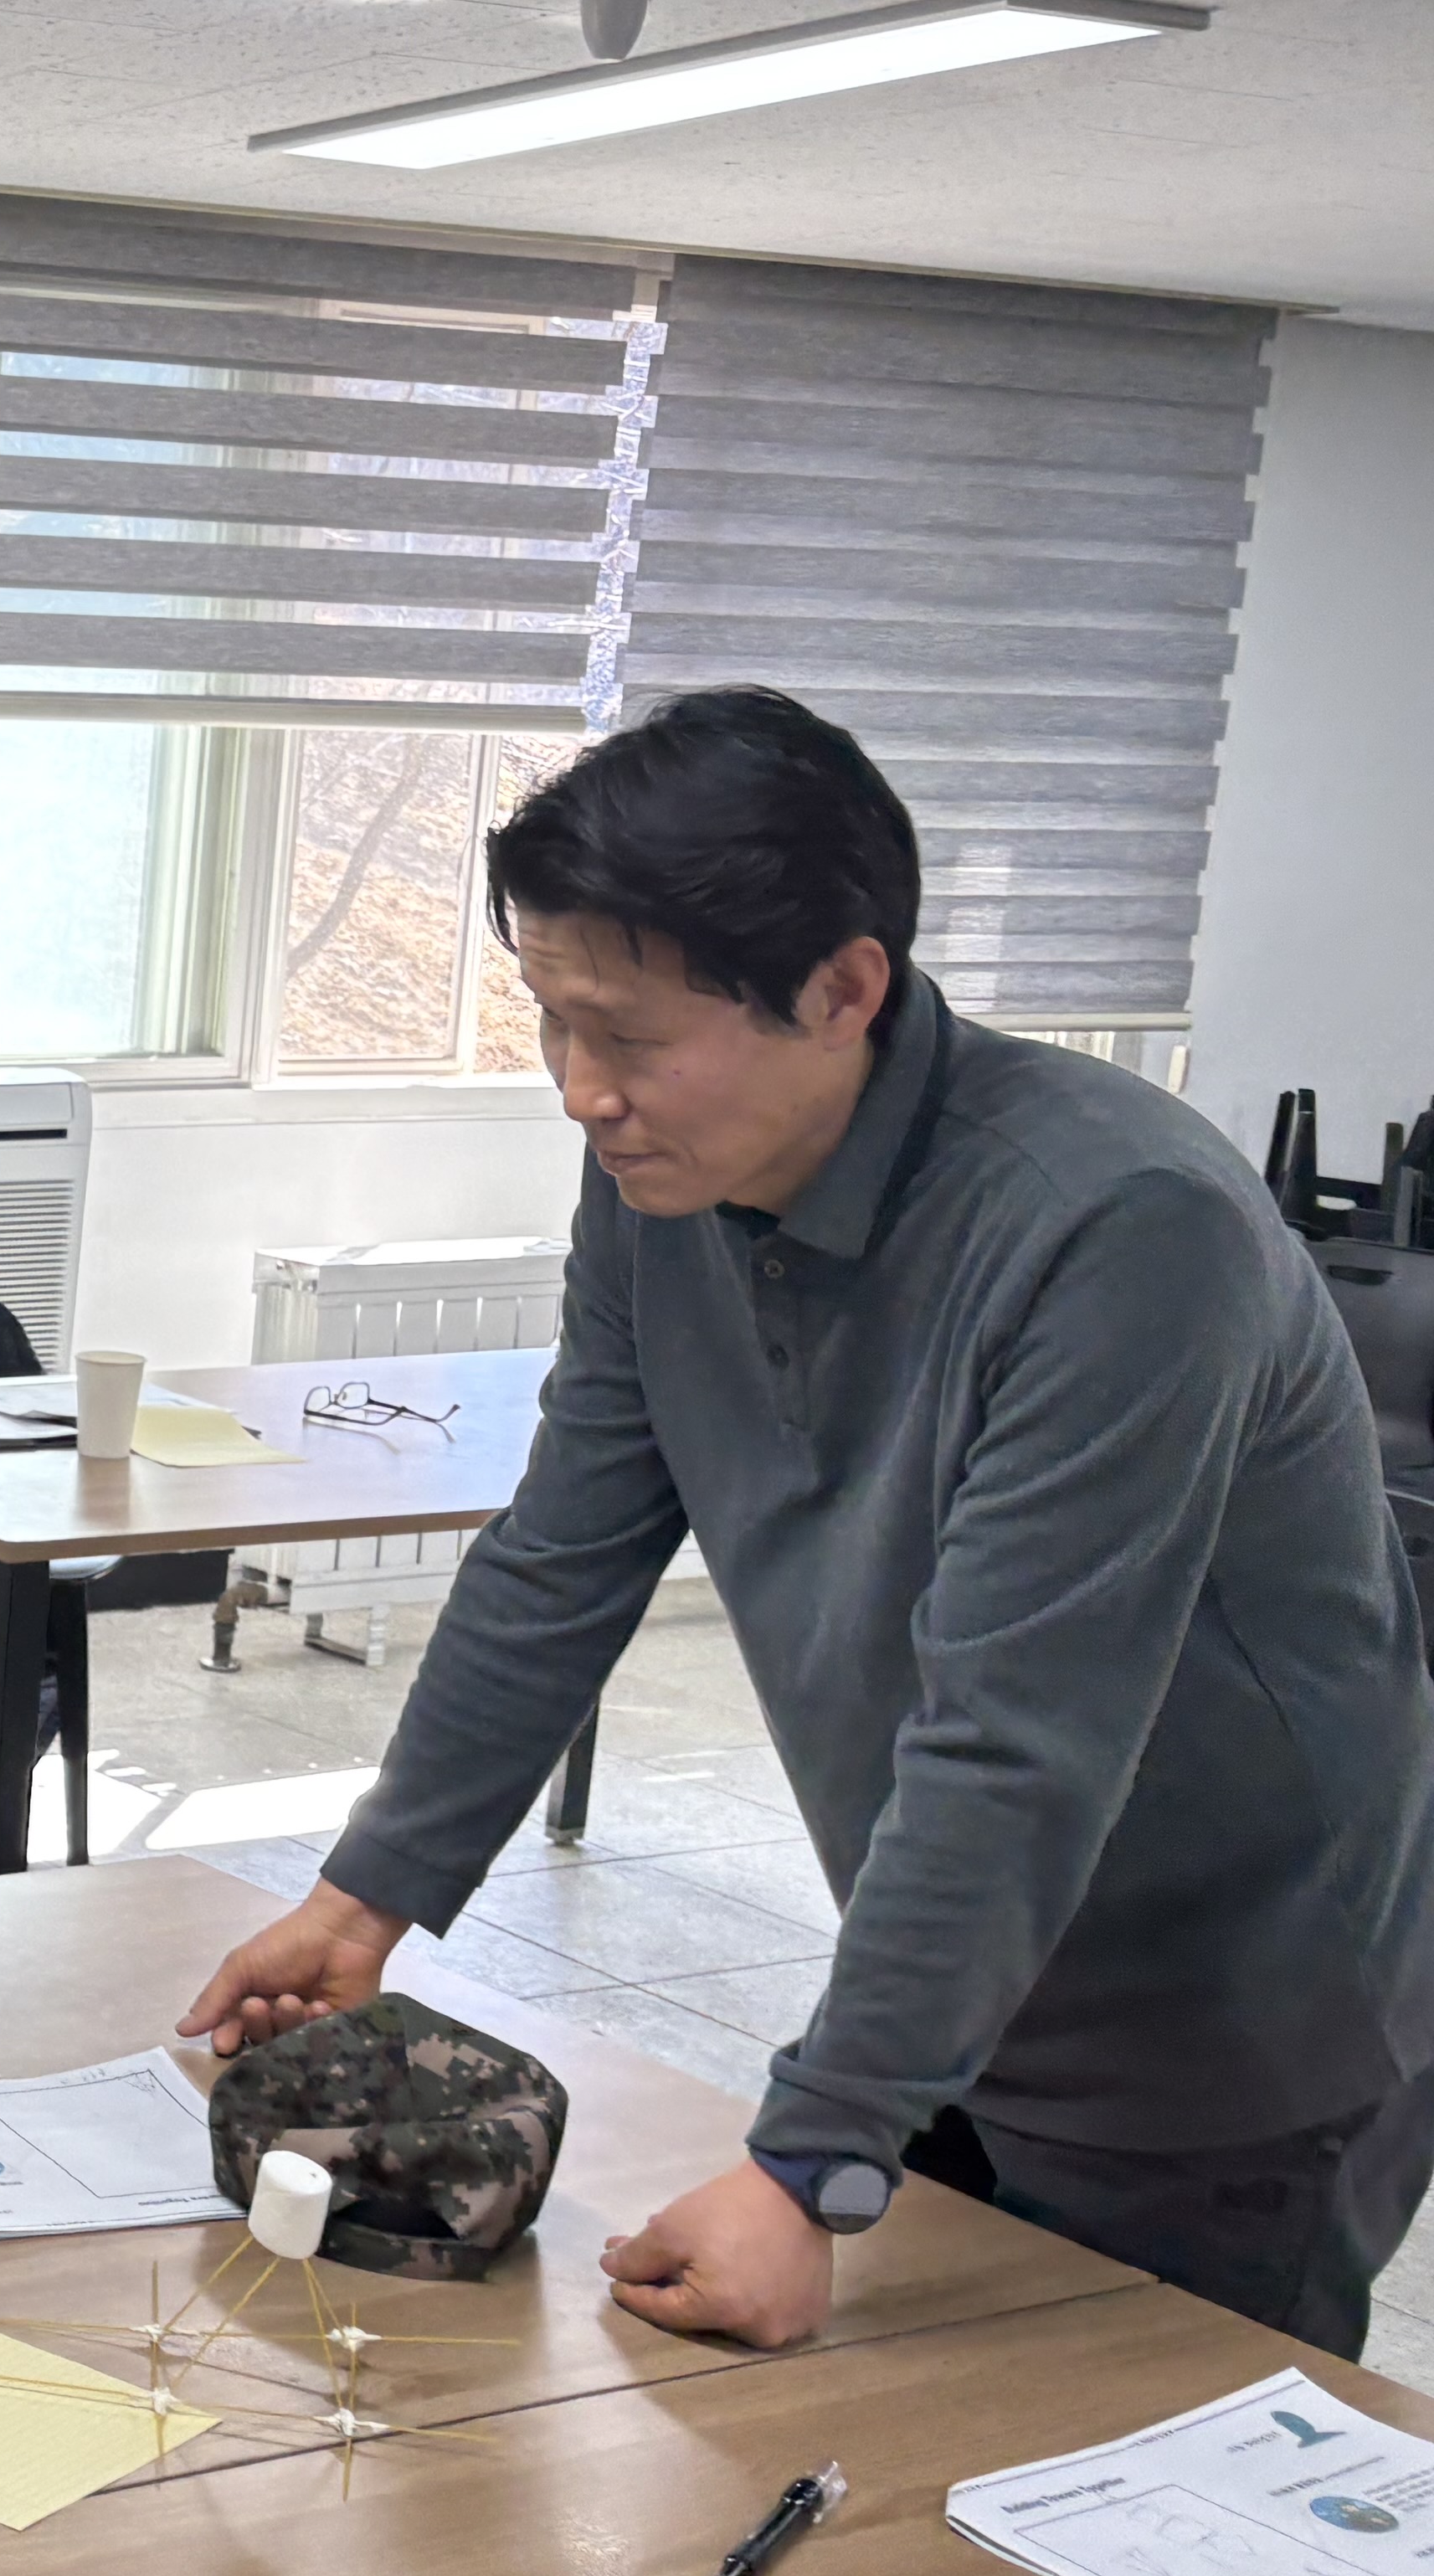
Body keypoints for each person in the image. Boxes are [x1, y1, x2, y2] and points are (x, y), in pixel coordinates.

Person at [179, 689, 1434, 2358]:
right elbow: (560, 1554)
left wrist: (810, 2161)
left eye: (629, 1036)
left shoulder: (1125, 1229)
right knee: (894, 2476)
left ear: (843, 990)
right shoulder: (666, 1183)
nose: (581, 1090)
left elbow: (1018, 1740)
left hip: (1227, 2033)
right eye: (551, 1021)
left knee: (1111, 2490)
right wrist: (366, 1898)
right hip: (958, 1990)